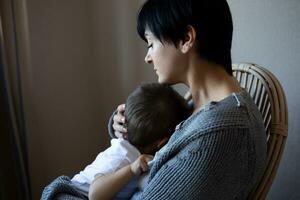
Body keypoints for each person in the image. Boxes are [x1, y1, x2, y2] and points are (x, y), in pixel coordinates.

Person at [96, 0, 267, 199]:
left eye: (151, 44)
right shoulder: (201, 107)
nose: (148, 57)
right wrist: (125, 126)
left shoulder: (220, 133)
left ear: (186, 38)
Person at [71, 83, 190, 199]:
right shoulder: (123, 156)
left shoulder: (133, 152)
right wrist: (131, 169)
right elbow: (95, 194)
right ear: (162, 142)